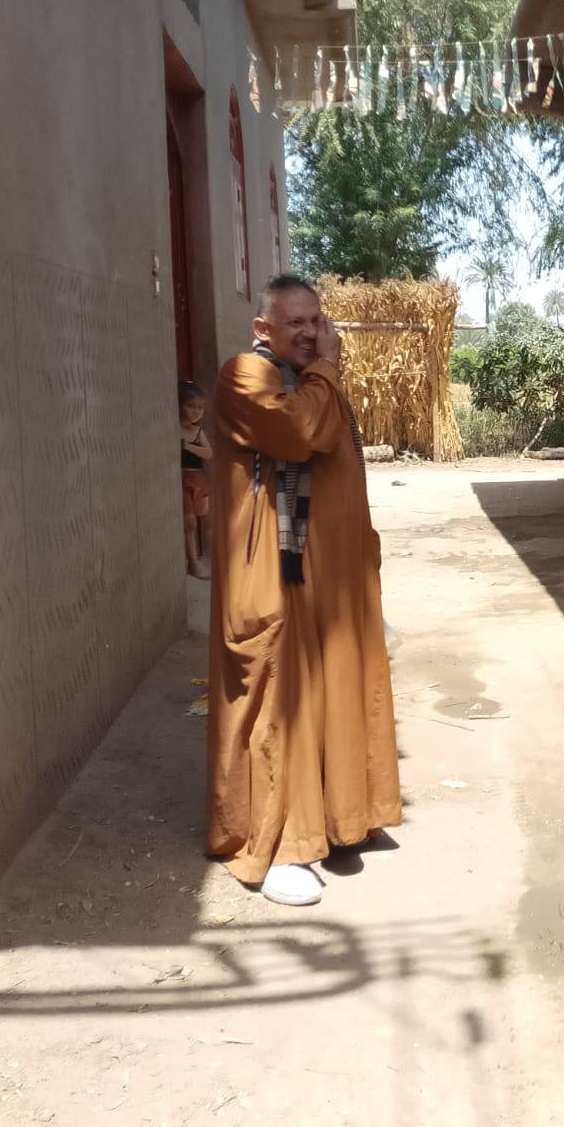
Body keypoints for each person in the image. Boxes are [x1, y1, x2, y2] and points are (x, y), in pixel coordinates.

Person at [205, 274, 402, 907]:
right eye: (296, 322)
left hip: (327, 578)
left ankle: (340, 819)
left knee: (335, 692)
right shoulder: (247, 375)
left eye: (316, 320)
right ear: (263, 327)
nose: (312, 333)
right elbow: (297, 434)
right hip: (273, 574)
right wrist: (327, 371)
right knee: (279, 707)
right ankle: (281, 847)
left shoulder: (315, 381)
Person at [179, 382, 212, 580]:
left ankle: (205, 557)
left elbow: (209, 453)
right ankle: (192, 561)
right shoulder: (175, 428)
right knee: (189, 522)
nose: (196, 411)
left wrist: (188, 447)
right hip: (180, 480)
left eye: (200, 407)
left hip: (197, 480)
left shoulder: (197, 432)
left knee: (204, 518)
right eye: (190, 406)